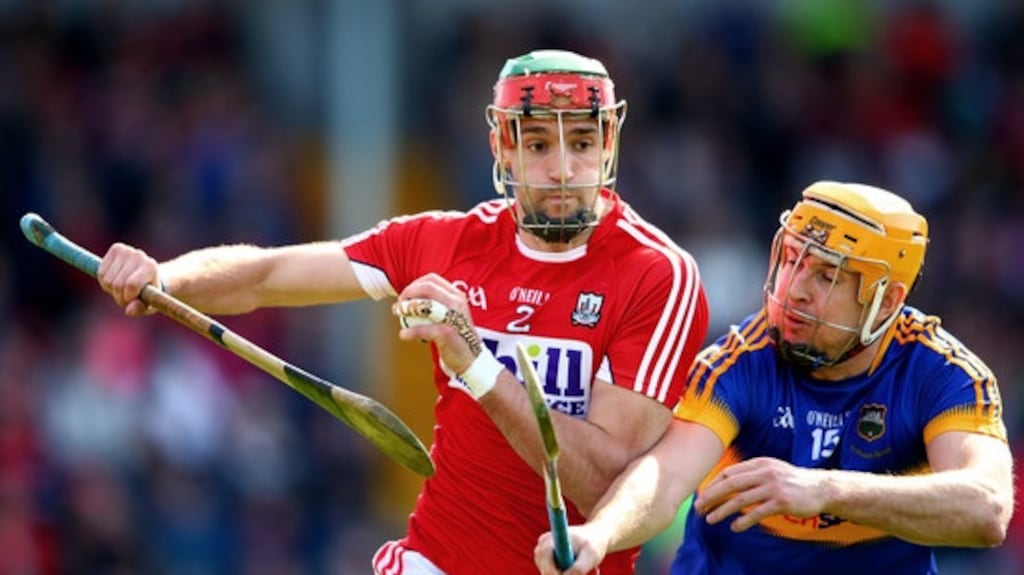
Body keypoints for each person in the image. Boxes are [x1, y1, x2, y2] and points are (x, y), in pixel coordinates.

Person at [95, 49, 709, 574]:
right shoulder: (442, 243)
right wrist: (162, 276)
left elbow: (604, 482)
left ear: (608, 143)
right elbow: (266, 274)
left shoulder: (658, 275)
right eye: (538, 143)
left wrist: (477, 367)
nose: (562, 170)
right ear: (501, 145)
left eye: (580, 141)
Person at [534, 181, 1015, 575]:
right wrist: (599, 533)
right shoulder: (740, 363)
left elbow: (988, 508)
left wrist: (826, 490)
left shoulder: (944, 376)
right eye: (791, 260)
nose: (795, 290)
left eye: (828, 277)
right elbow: (664, 475)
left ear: (885, 302)